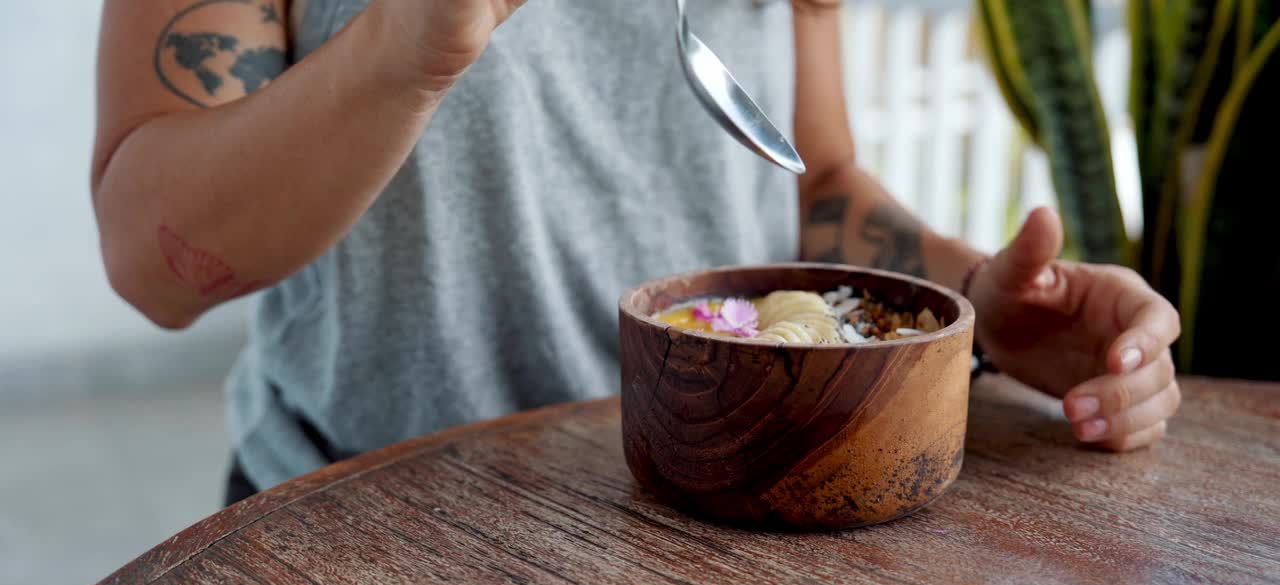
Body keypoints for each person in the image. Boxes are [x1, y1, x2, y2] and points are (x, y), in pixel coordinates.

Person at [92, 0, 1182, 505]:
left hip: (703, 515)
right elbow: (151, 264)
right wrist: (405, 49)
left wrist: (968, 308)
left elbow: (812, 186)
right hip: (348, 526)